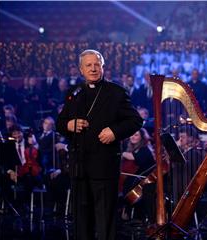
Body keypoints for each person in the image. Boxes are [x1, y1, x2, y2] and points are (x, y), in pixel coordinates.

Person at [56, 49, 143, 240]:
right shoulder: (75, 92)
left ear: (103, 67)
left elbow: (135, 120)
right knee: (81, 218)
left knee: (105, 219)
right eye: (88, 65)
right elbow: (60, 123)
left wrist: (115, 132)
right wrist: (69, 125)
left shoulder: (117, 92)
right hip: (79, 166)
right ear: (81, 69)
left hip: (104, 166)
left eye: (97, 64)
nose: (93, 69)